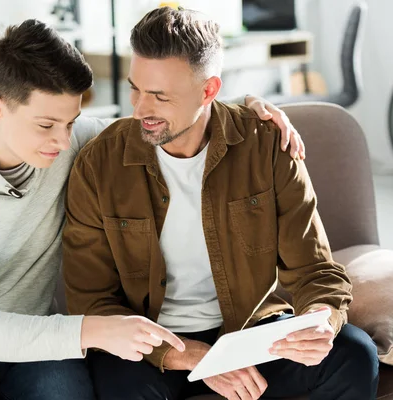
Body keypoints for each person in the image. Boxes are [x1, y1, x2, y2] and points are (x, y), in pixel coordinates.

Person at [0, 18, 306, 400]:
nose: (61, 139)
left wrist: (249, 107)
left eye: (71, 122)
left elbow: (173, 117)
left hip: (40, 342)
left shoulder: (75, 142)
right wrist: (98, 329)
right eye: (46, 125)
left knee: (66, 392)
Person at [63, 7, 379, 400]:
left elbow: (315, 270)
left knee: (354, 355)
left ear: (209, 90)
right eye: (135, 89)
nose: (140, 109)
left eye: (160, 96)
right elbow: (91, 300)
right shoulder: (100, 163)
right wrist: (193, 356)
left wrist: (319, 321)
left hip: (249, 332)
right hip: (148, 347)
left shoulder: (267, 144)